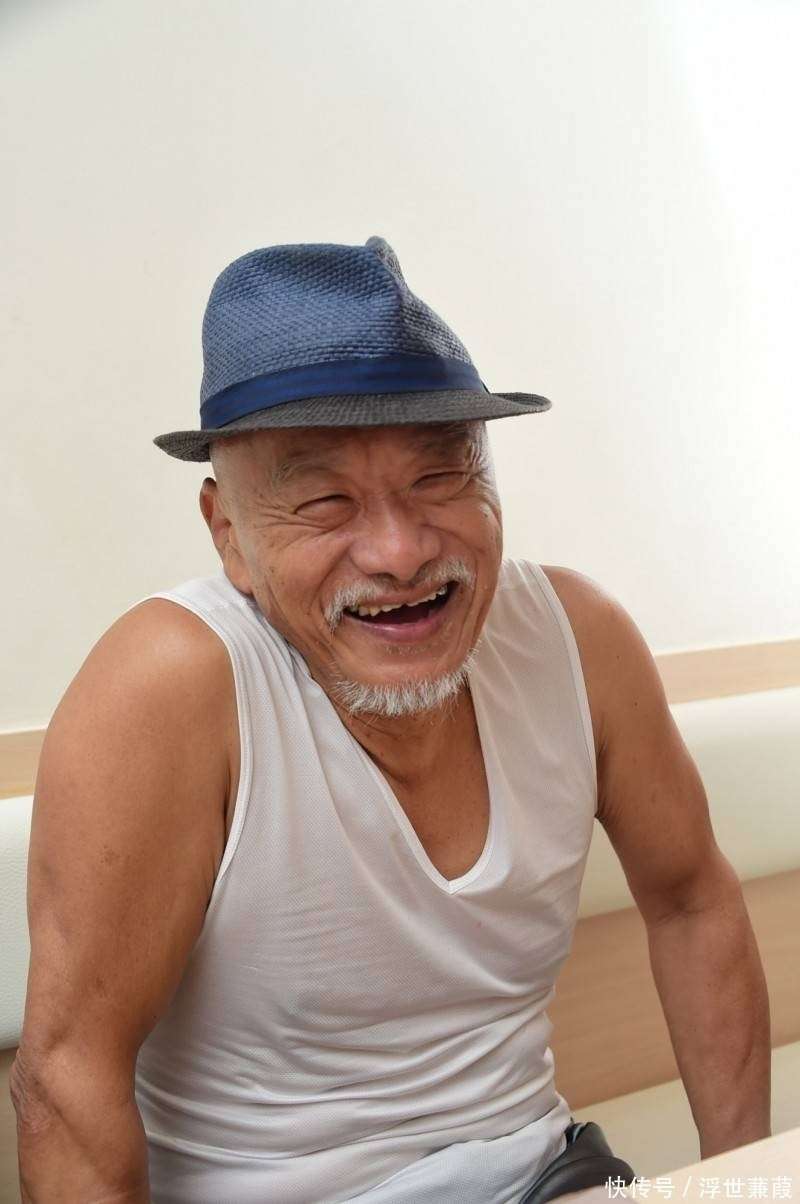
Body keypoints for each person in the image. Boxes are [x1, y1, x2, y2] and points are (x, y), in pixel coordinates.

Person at [12, 237, 771, 1203]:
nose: (401, 551)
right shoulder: (171, 689)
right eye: (324, 500)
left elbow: (693, 899)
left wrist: (739, 1181)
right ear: (228, 536)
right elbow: (66, 1077)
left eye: (440, 478)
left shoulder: (578, 641)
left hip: (548, 1178)